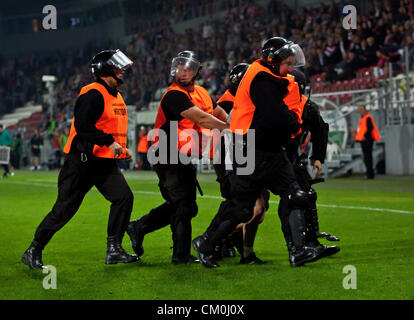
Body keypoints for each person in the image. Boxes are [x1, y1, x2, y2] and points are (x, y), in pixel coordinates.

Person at [192, 37, 326, 268]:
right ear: (273, 62)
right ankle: (206, 243)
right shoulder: (260, 78)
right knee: (242, 208)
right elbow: (274, 114)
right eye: (287, 64)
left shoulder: (268, 75)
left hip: (269, 148)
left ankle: (299, 251)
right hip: (250, 147)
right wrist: (295, 124)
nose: (290, 69)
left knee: (295, 194)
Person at [22, 49, 139, 269]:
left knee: (124, 198)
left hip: (103, 163)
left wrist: (121, 149)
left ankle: (113, 249)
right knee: (64, 210)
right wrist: (109, 142)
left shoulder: (116, 95)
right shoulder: (93, 93)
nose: (122, 72)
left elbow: (110, 127)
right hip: (81, 162)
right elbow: (83, 127)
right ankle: (33, 249)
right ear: (105, 70)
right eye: (117, 68)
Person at [126, 51, 229, 264]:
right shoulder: (173, 95)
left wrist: (232, 122)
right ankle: (177, 252)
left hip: (181, 153)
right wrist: (232, 128)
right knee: (183, 203)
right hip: (166, 152)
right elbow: (200, 117)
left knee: (185, 204)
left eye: (188, 67)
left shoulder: (202, 93)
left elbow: (217, 112)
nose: (183, 71)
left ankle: (142, 228)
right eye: (180, 67)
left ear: (195, 71)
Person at [278, 68, 340, 258]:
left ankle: (310, 243)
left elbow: (321, 130)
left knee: (305, 194)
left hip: (290, 158)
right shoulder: (275, 106)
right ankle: (224, 244)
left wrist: (318, 157)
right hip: (267, 158)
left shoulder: (307, 107)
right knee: (249, 207)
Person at [212, 63, 269, 265]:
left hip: (247, 157)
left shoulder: (244, 98)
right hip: (233, 159)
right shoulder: (228, 102)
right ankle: (212, 241)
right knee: (246, 209)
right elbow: (229, 136)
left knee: (257, 211)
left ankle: (237, 247)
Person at [354, 105, 381, 179]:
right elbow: (362, 130)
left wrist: (365, 137)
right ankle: (369, 173)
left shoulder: (367, 117)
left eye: (361, 109)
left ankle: (370, 174)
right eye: (359, 109)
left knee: (368, 158)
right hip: (363, 141)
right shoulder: (362, 118)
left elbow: (370, 128)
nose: (360, 110)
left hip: (367, 140)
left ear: (365, 109)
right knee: (366, 158)